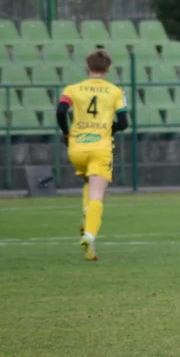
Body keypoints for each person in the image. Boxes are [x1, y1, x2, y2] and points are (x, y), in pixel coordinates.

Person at [57, 49, 129, 261]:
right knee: (97, 194)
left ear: (87, 67)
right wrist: (109, 130)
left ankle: (88, 235)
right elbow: (124, 123)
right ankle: (89, 234)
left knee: (88, 183)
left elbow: (61, 111)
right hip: (100, 148)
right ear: (108, 68)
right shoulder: (115, 91)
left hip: (77, 146)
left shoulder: (73, 89)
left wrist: (66, 132)